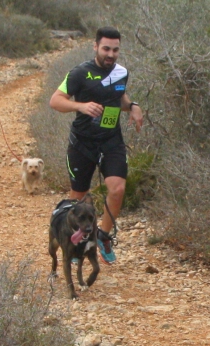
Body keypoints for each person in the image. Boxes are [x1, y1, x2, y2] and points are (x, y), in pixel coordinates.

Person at [49, 26, 144, 265]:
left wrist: (133, 107)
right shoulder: (80, 73)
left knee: (117, 189)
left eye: (115, 50)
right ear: (95, 47)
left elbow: (119, 97)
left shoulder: (121, 72)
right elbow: (56, 101)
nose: (110, 54)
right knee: (78, 198)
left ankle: (103, 236)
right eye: (106, 49)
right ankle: (75, 242)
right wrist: (80, 106)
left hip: (111, 141)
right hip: (82, 143)